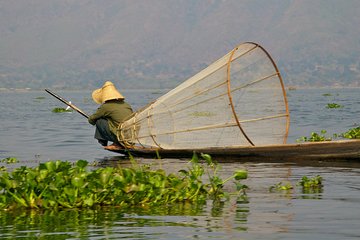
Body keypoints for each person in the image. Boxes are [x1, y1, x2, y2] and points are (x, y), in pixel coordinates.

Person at [88, 81, 133, 150]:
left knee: (100, 121)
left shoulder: (106, 106)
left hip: (121, 137)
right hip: (131, 138)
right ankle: (118, 142)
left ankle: (116, 143)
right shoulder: (126, 104)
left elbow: (91, 119)